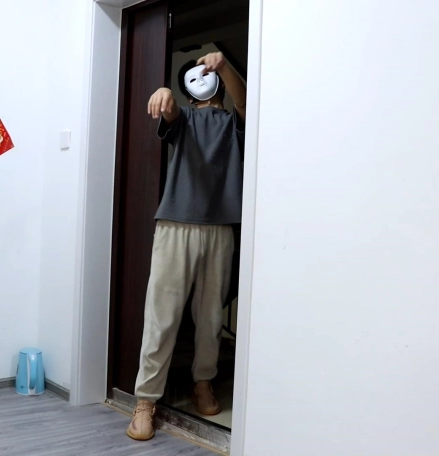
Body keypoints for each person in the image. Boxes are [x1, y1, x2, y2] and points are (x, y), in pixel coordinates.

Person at [127, 51, 247, 441]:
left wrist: (224, 65)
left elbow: (244, 102)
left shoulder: (234, 122)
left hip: (220, 229)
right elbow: (170, 114)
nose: (204, 78)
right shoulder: (185, 119)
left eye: (208, 72)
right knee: (161, 315)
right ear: (188, 88)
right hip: (175, 226)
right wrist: (165, 93)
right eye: (194, 76)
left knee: (211, 317)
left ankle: (203, 383)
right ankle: (145, 400)